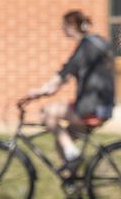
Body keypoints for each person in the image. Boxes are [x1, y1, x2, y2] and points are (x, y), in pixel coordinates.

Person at [23, 10, 115, 164]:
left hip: (91, 108)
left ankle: (73, 153)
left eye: (64, 26)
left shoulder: (86, 46)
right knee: (61, 142)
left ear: (72, 26)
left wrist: (40, 91)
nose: (62, 29)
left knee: (47, 113)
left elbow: (65, 73)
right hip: (103, 106)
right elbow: (68, 74)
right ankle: (72, 179)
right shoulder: (97, 41)